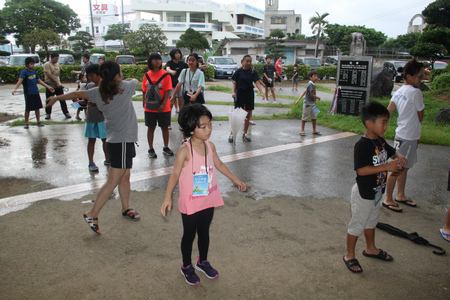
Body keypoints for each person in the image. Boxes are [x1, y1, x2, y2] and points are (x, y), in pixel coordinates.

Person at [46, 61, 140, 234]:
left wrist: (56, 98)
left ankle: (125, 208)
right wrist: (122, 79)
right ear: (117, 75)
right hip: (123, 141)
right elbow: (136, 80)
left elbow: (75, 93)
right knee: (113, 181)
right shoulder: (126, 87)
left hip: (115, 141)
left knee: (125, 177)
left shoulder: (97, 92)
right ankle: (92, 213)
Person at [160, 104, 246, 285]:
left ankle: (202, 261)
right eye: (203, 126)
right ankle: (186, 266)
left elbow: (219, 164)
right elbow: (175, 174)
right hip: (191, 202)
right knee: (189, 235)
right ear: (191, 129)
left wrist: (235, 179)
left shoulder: (210, 146)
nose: (209, 129)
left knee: (205, 232)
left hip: (208, 197)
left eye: (210, 124)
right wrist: (168, 197)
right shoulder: (185, 150)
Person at [343, 101, 407, 273]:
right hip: (363, 194)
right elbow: (361, 170)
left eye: (387, 122)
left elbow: (391, 151)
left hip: (377, 192)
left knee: (371, 221)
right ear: (369, 123)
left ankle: (371, 248)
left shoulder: (379, 141)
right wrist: (386, 167)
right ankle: (349, 254)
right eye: (383, 122)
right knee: (357, 224)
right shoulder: (362, 145)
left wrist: (399, 157)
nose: (386, 126)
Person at [383, 59, 425, 212]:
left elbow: (389, 110)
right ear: (410, 76)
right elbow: (421, 116)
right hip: (407, 135)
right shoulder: (415, 92)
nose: (421, 79)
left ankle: (400, 194)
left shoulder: (399, 91)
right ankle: (388, 198)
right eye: (419, 76)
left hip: (406, 134)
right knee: (398, 167)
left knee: (404, 166)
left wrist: (382, 126)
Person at [142, 52, 174, 158]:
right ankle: (150, 148)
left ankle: (165, 146)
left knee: (164, 127)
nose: (158, 61)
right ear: (150, 62)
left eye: (159, 59)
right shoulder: (146, 75)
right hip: (150, 107)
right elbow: (144, 90)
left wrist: (163, 105)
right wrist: (144, 103)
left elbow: (167, 91)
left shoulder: (166, 75)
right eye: (155, 59)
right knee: (151, 127)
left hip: (163, 108)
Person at [228, 55, 265, 143]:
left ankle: (244, 134)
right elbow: (234, 83)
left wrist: (262, 93)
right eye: (247, 61)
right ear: (243, 62)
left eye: (250, 61)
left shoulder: (253, 72)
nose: (248, 63)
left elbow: (257, 82)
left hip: (249, 94)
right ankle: (232, 134)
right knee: (237, 115)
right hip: (240, 93)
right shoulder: (239, 72)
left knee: (248, 115)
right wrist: (233, 92)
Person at [12, 57, 55, 129]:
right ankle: (26, 123)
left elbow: (40, 81)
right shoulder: (24, 72)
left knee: (37, 107)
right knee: (28, 109)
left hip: (35, 92)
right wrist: (15, 89)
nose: (33, 65)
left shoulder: (34, 72)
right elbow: (20, 81)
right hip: (29, 93)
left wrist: (48, 87)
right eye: (31, 64)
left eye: (33, 64)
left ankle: (38, 121)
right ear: (27, 64)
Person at [81, 63, 109, 171]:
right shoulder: (89, 86)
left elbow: (108, 102)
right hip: (91, 117)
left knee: (105, 140)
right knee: (91, 140)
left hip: (102, 117)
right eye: (88, 76)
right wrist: (80, 101)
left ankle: (107, 158)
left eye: (92, 75)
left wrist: (95, 104)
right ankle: (91, 162)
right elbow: (86, 100)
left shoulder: (105, 86)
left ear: (98, 74)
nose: (90, 78)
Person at [44, 52, 71, 119]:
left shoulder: (57, 65)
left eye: (57, 58)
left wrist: (59, 83)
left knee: (62, 99)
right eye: (55, 58)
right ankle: (48, 113)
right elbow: (49, 75)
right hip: (50, 86)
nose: (57, 60)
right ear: (52, 58)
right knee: (49, 100)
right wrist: (56, 82)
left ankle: (66, 112)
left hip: (58, 86)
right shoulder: (47, 64)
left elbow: (57, 75)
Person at [295, 70, 321, 136]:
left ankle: (314, 130)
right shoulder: (310, 85)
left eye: (317, 76)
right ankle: (302, 130)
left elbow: (305, 92)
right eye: (314, 76)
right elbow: (312, 95)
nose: (316, 77)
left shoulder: (312, 84)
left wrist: (298, 99)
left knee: (314, 117)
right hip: (308, 104)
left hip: (313, 103)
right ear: (310, 77)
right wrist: (318, 97)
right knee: (304, 117)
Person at [165, 48, 188, 114]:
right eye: (176, 53)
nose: (178, 55)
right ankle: (168, 114)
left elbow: (190, 66)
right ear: (173, 55)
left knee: (180, 100)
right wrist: (171, 71)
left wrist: (201, 66)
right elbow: (167, 69)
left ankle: (181, 113)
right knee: (171, 100)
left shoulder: (181, 63)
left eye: (179, 53)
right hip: (171, 85)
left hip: (180, 85)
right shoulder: (169, 63)